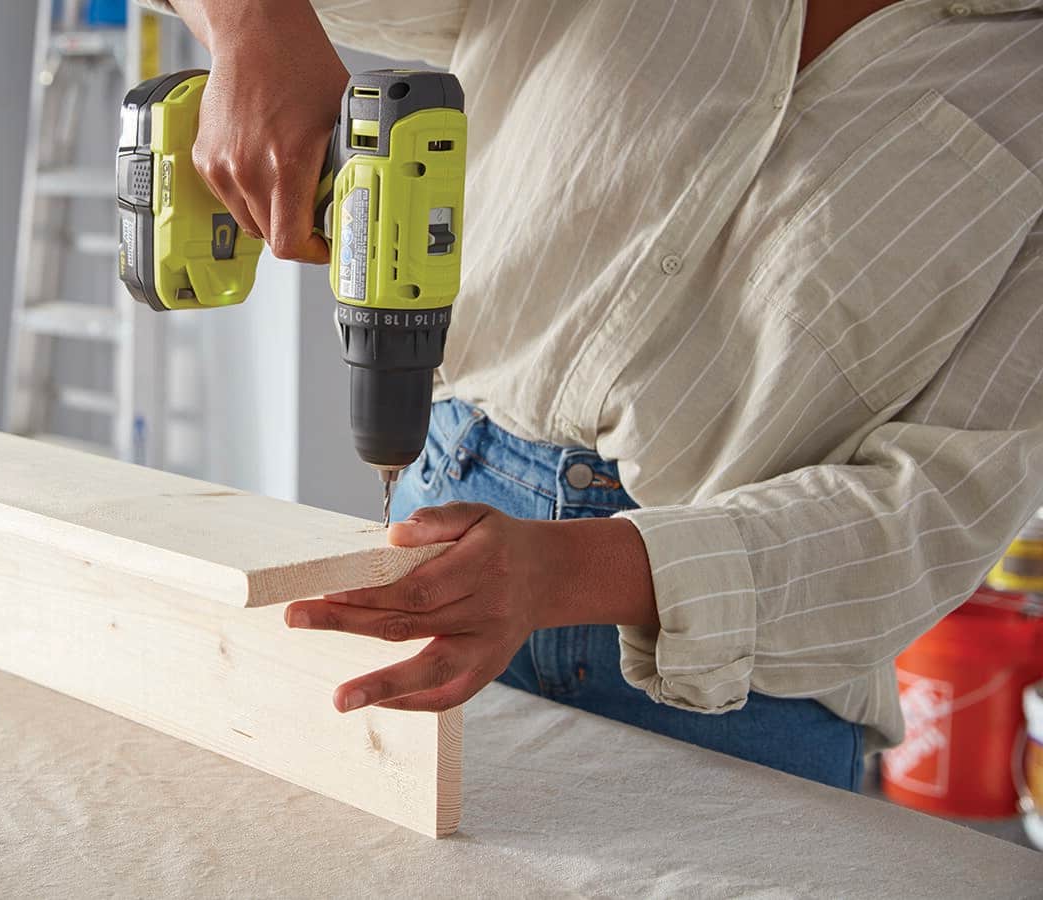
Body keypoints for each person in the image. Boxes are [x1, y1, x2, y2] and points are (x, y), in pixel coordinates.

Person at [146, 0, 1043, 789]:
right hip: (440, 537)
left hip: (738, 674)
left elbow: (935, 510)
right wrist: (252, 26)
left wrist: (563, 571)